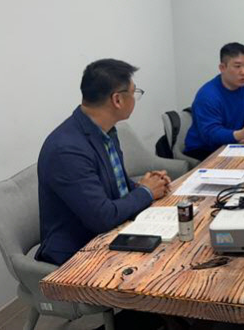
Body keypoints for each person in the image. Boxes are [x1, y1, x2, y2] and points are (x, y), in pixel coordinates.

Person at [37, 59, 170, 265]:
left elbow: (109, 186)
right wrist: (146, 192)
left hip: (113, 234)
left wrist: (144, 185)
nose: (136, 98)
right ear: (117, 100)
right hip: (79, 254)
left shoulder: (105, 130)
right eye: (134, 92)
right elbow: (102, 218)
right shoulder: (67, 150)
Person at [184, 42, 244, 161]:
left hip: (234, 143)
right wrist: (242, 134)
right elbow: (211, 135)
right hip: (204, 149)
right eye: (237, 66)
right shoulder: (207, 96)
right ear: (222, 68)